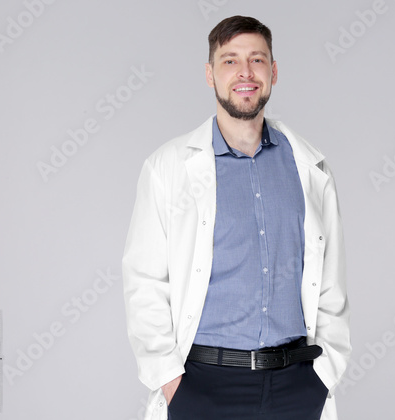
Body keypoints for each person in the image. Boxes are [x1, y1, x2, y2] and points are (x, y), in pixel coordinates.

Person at [122, 15, 351, 420]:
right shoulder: (168, 168)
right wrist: (171, 382)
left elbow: (331, 282)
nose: (245, 73)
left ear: (273, 71)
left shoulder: (310, 167)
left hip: (298, 385)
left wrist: (323, 375)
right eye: (229, 61)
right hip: (203, 387)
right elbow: (144, 280)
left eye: (257, 60)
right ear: (210, 74)